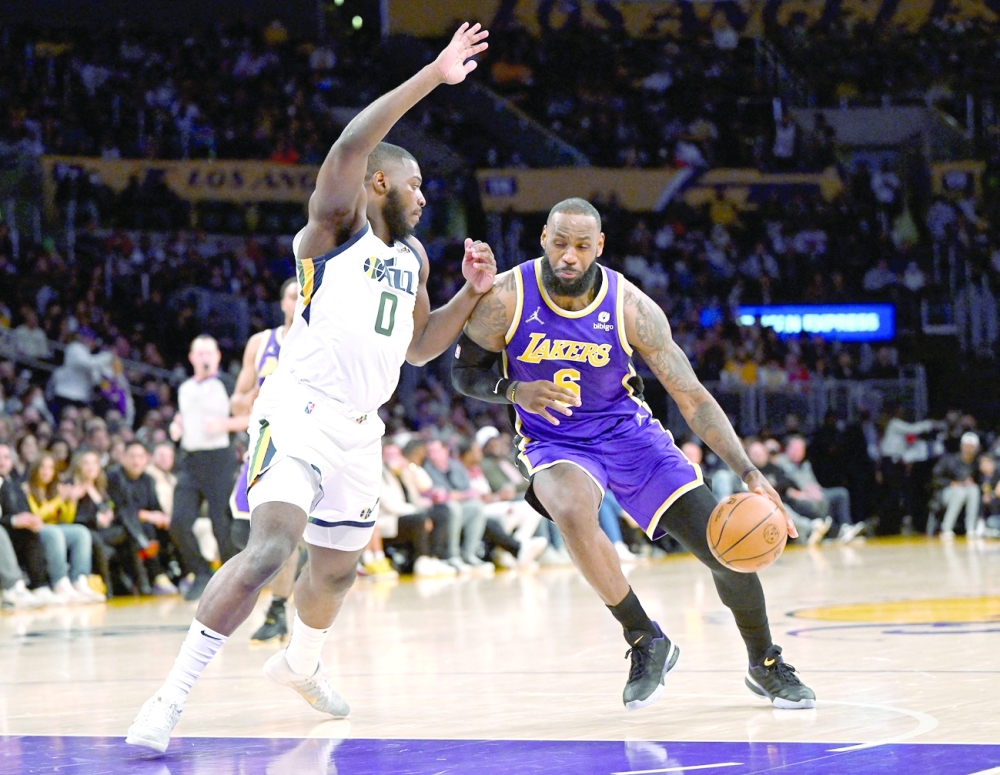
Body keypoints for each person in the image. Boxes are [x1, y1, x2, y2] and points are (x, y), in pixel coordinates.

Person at [127, 22, 495, 753]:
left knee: (336, 574)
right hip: (297, 411)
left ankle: (300, 663)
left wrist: (470, 293)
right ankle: (168, 698)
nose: (425, 197)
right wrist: (434, 74)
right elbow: (351, 144)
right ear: (380, 183)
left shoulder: (415, 258)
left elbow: (420, 347)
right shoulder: (335, 228)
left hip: (361, 428)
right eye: (416, 184)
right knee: (270, 551)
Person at [453, 197, 815, 712]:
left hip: (631, 436)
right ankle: (645, 637)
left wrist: (749, 471)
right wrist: (514, 390)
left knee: (723, 544)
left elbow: (692, 397)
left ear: (599, 246)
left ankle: (766, 662)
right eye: (560, 243)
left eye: (582, 246)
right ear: (544, 239)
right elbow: (463, 373)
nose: (569, 256)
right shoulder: (508, 296)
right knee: (570, 508)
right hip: (555, 439)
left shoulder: (631, 307)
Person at [227, 278, 302, 642]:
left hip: (305, 446)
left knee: (289, 537)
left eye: (304, 295)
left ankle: (278, 610)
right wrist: (257, 393)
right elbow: (236, 403)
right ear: (282, 303)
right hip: (264, 445)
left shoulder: (323, 340)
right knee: (244, 533)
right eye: (292, 295)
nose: (298, 300)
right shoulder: (261, 344)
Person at [168, 335, 238, 601]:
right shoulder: (185, 387)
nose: (205, 357)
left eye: (209, 353)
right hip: (190, 459)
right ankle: (200, 572)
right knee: (179, 521)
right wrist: (176, 425)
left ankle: (231, 580)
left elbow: (253, 415)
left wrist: (225, 425)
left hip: (219, 459)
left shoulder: (227, 384)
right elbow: (185, 413)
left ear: (218, 356)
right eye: (200, 353)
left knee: (222, 524)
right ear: (191, 357)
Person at [23, 453, 104, 603]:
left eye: (50, 468)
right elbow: (36, 516)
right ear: (35, 469)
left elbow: (67, 519)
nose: (46, 472)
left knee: (81, 532)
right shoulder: (27, 488)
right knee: (55, 533)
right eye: (43, 468)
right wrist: (60, 499)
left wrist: (72, 500)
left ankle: (79, 580)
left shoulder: (54, 489)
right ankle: (59, 581)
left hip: (54, 528)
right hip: (35, 530)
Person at [107, 441, 174, 594]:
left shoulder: (148, 479)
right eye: (132, 456)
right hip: (122, 524)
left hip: (144, 524)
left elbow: (155, 506)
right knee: (141, 526)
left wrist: (163, 518)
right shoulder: (114, 477)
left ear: (146, 459)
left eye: (140, 457)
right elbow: (120, 509)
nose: (136, 461)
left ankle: (185, 575)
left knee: (175, 525)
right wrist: (145, 515)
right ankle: (155, 576)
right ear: (123, 458)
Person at [778, 436, 863, 543]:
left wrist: (816, 490)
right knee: (816, 504)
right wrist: (806, 493)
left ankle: (846, 528)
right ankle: (829, 533)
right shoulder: (781, 464)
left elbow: (814, 483)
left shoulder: (805, 464)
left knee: (841, 493)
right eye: (795, 448)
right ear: (787, 449)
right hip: (799, 496)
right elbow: (786, 488)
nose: (798, 452)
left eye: (801, 449)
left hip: (815, 493)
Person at [0, 443, 51, 602]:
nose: (2, 461)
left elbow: (26, 510)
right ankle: (12, 587)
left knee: (35, 532)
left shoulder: (13, 484)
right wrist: (14, 520)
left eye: (6, 457)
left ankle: (42, 586)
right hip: (5, 529)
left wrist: (32, 519)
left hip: (12, 530)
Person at [932, 431, 981, 539]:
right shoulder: (949, 459)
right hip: (946, 493)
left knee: (974, 489)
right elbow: (935, 479)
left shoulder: (977, 463)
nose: (968, 449)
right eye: (966, 446)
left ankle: (971, 529)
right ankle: (946, 528)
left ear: (976, 448)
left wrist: (971, 482)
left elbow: (981, 482)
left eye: (971, 447)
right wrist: (951, 483)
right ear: (961, 446)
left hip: (967, 492)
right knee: (960, 492)